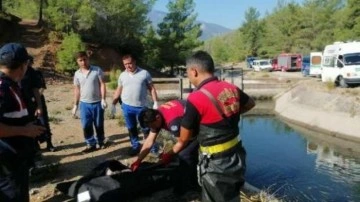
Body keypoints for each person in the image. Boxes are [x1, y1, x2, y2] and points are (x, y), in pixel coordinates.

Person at [160, 51, 255, 202]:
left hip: (216, 164)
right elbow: (250, 104)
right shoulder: (230, 87)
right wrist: (231, 112)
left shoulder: (196, 98)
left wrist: (167, 155)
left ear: (194, 71)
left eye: (187, 73)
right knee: (232, 196)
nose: (188, 77)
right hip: (237, 154)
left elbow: (183, 140)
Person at [0, 42, 46, 202]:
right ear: (22, 65)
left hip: (16, 157)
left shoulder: (11, 84)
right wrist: (25, 131)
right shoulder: (3, 88)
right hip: (7, 159)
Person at [131, 100, 199, 194]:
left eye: (152, 125)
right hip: (186, 122)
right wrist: (138, 160)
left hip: (200, 125)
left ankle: (192, 184)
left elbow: (183, 142)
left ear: (157, 118)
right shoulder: (155, 115)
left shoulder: (173, 121)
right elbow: (149, 141)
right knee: (175, 154)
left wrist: (168, 155)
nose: (152, 127)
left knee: (185, 155)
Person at [111, 52, 159, 156]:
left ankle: (151, 147)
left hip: (142, 107)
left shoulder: (144, 73)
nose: (128, 66)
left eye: (129, 63)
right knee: (131, 128)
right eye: (125, 64)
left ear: (134, 62)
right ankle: (135, 146)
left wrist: (155, 102)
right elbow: (119, 89)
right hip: (127, 106)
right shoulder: (122, 75)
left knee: (146, 128)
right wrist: (114, 103)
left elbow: (151, 88)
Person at [72, 51, 108, 153]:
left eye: (85, 59)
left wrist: (103, 99)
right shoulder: (77, 74)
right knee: (86, 125)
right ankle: (90, 144)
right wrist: (75, 105)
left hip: (97, 103)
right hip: (84, 104)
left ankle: (101, 141)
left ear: (88, 59)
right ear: (77, 62)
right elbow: (77, 89)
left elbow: (102, 84)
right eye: (80, 60)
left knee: (99, 124)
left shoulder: (97, 70)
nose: (83, 62)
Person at [35, 68, 56, 152]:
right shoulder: (20, 73)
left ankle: (49, 143)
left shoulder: (36, 72)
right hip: (27, 102)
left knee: (44, 122)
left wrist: (36, 98)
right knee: (32, 122)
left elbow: (42, 87)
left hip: (39, 101)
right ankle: (36, 146)